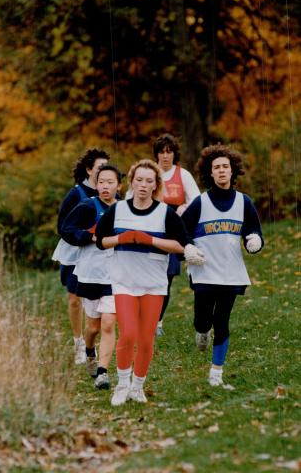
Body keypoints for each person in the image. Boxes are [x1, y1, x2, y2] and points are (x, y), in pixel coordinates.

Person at [96, 159, 188, 406]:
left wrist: (149, 240)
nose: (143, 185)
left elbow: (181, 245)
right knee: (128, 334)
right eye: (139, 180)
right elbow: (100, 240)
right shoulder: (118, 210)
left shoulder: (165, 213)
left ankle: (138, 387)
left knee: (146, 340)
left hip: (153, 284)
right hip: (123, 282)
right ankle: (122, 384)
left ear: (156, 185)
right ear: (131, 182)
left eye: (149, 181)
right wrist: (122, 238)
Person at [181, 144, 263, 387]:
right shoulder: (200, 202)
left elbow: (253, 231)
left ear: (232, 170)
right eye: (216, 167)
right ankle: (202, 330)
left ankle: (216, 372)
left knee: (222, 319)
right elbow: (181, 231)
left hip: (231, 272)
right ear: (210, 173)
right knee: (203, 320)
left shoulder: (244, 202)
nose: (222, 171)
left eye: (225, 166)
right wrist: (187, 248)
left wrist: (255, 241)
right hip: (204, 270)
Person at [60, 165, 121, 390]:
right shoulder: (86, 206)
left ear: (119, 185)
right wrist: (88, 236)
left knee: (108, 323)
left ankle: (103, 372)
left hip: (115, 275)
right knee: (93, 327)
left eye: (110, 182)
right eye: (101, 182)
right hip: (90, 274)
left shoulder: (124, 209)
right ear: (96, 184)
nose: (105, 186)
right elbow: (66, 229)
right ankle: (89, 351)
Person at [52, 148, 110, 365]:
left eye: (106, 168)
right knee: (75, 299)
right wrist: (86, 236)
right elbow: (62, 227)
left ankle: (93, 339)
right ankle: (77, 343)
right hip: (75, 251)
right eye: (99, 168)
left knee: (94, 300)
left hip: (100, 255)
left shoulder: (112, 193)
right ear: (88, 170)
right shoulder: (76, 193)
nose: (103, 173)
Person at [153, 133, 200, 336]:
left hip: (173, 233)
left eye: (169, 152)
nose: (165, 156)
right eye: (161, 152)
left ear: (174, 154)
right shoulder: (148, 173)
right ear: (156, 155)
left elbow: (198, 203)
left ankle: (158, 322)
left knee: (167, 278)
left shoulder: (183, 175)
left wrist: (184, 207)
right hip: (152, 229)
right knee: (150, 278)